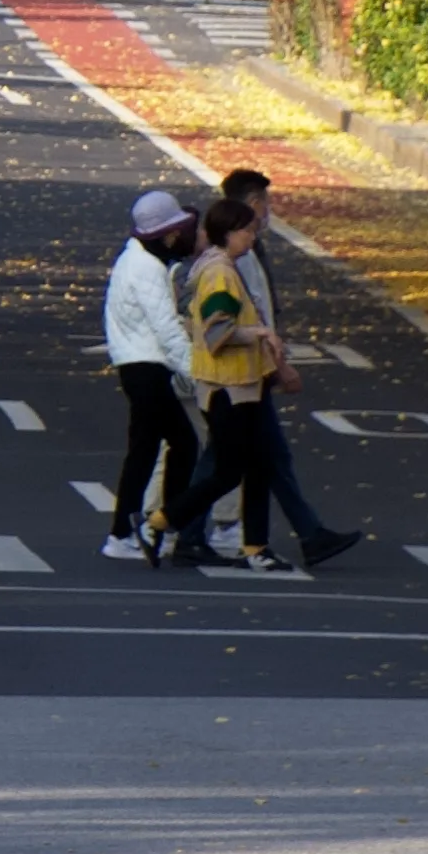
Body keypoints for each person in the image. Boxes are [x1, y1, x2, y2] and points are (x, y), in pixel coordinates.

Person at [213, 162, 367, 574]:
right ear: (253, 203)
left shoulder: (243, 248)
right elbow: (250, 316)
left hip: (248, 368)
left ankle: (306, 533)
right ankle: (174, 524)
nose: (269, 213)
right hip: (244, 370)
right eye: (267, 204)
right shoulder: (239, 254)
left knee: (259, 457)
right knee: (238, 459)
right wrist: (278, 364)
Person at [182, 195, 289, 573]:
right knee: (232, 469)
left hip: (239, 382)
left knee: (253, 465)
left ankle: (255, 546)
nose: (252, 236)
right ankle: (167, 520)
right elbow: (218, 333)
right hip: (230, 384)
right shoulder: (220, 274)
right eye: (247, 230)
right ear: (228, 233)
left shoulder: (221, 267)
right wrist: (261, 331)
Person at [102, 188, 201, 563]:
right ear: (168, 234)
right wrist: (197, 371)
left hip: (134, 364)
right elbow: (166, 328)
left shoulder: (133, 260)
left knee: (145, 450)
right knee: (181, 445)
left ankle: (134, 529)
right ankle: (149, 526)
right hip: (146, 368)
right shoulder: (147, 269)